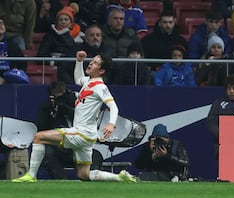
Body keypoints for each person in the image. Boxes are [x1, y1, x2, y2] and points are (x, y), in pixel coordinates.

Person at [11, 51, 137, 183]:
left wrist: (111, 124)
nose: (91, 63)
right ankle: (119, 177)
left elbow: (113, 106)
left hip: (82, 133)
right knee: (83, 174)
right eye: (92, 61)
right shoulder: (89, 82)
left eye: (95, 63)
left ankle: (31, 175)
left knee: (39, 137)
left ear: (101, 71)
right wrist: (79, 61)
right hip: (87, 135)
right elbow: (78, 79)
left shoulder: (100, 87)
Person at [0, 19, 28, 85]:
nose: (0, 25)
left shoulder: (12, 45)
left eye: (2, 24)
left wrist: (7, 79)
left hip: (8, 83)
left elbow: (22, 64)